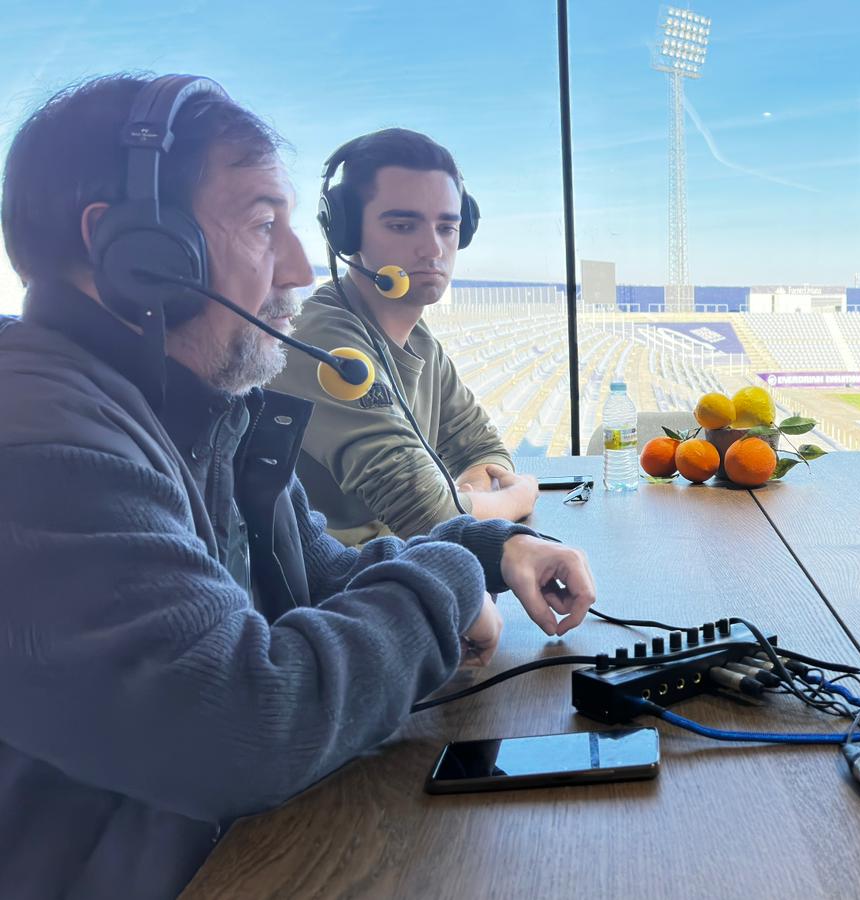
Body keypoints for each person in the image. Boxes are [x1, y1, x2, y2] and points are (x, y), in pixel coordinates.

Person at [0, 74, 597, 898]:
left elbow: (318, 575)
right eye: (259, 224)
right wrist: (449, 579)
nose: (297, 266)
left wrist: (492, 547)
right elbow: (241, 724)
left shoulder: (202, 412)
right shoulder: (36, 442)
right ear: (136, 254)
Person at [267, 128, 534, 545]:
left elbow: (480, 446)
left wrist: (469, 496)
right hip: (340, 594)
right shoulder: (322, 341)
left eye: (447, 228)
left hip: (409, 571)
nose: (432, 249)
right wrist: (513, 500)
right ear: (347, 234)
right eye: (403, 225)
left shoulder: (420, 338)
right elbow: (429, 515)